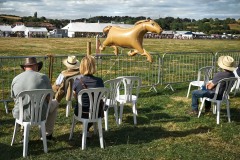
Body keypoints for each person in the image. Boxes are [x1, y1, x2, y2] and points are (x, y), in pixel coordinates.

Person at [11, 57, 59, 140]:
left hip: (20, 114)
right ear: (36, 66)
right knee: (55, 104)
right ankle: (47, 134)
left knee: (22, 103)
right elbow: (49, 97)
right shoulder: (43, 77)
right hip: (40, 114)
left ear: (25, 67)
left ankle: (24, 132)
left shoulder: (15, 79)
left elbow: (14, 98)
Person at [72, 55, 104, 137]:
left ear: (81, 66)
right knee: (92, 109)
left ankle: (85, 130)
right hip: (97, 112)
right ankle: (86, 130)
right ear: (94, 66)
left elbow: (75, 97)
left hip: (80, 112)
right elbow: (101, 95)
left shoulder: (77, 81)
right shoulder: (99, 81)